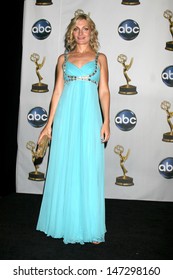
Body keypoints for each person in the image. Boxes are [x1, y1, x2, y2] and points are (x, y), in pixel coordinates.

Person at [36, 9, 110, 245]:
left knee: (89, 167)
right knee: (65, 165)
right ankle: (63, 223)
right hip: (66, 116)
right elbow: (57, 92)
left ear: (91, 32)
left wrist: (106, 120)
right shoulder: (63, 59)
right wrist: (48, 126)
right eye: (76, 29)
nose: (81, 33)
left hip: (89, 116)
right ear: (71, 33)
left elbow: (104, 91)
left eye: (85, 28)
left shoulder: (101, 58)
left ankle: (92, 228)